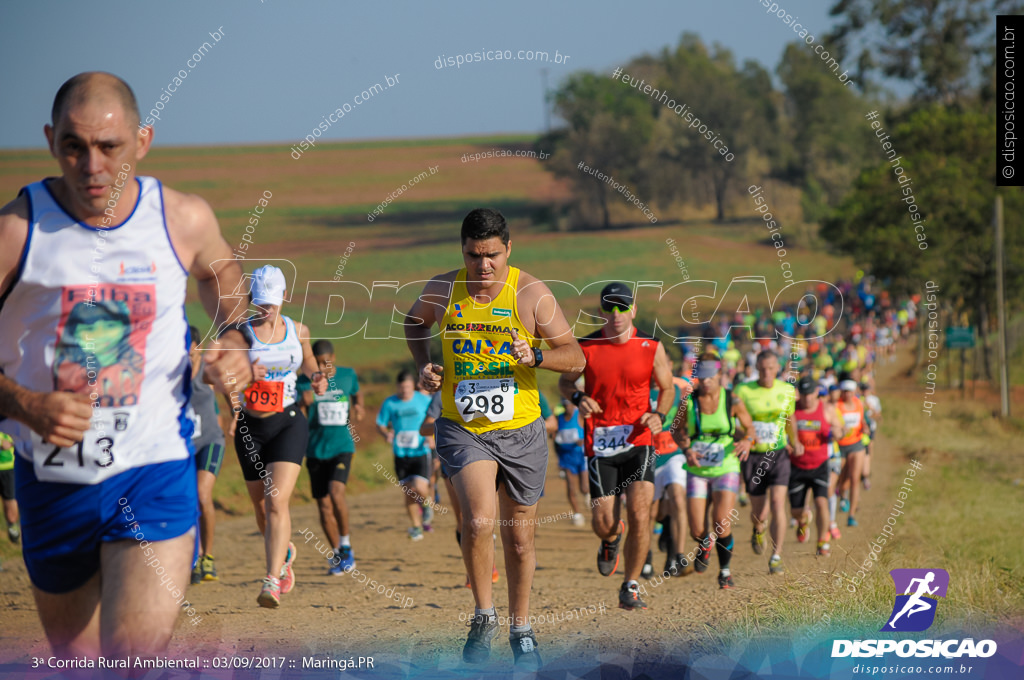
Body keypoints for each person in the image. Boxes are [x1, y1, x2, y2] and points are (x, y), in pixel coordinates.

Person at [0, 72, 252, 660]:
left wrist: (235, 341)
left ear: (142, 140)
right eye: (73, 146)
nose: (91, 165)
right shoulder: (17, 232)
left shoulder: (181, 218)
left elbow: (223, 281)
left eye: (109, 147)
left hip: (153, 469)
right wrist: (23, 404)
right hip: (52, 479)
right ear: (49, 140)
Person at [405, 208, 584, 670]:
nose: (482, 266)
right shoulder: (444, 288)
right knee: (480, 522)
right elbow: (414, 321)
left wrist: (538, 354)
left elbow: (576, 357)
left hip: (522, 429)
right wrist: (423, 363)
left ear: (509, 249)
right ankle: (483, 615)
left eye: (491, 256)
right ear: (461, 249)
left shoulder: (530, 293)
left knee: (520, 540)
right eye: (472, 255)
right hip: (464, 427)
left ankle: (520, 625)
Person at [558, 282, 675, 611]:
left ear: (633, 310)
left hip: (639, 440)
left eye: (623, 307)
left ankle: (631, 585)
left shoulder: (651, 346)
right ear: (600, 312)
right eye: (610, 308)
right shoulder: (585, 347)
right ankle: (611, 539)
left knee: (641, 513)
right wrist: (579, 398)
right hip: (601, 444)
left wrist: (659, 415)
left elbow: (666, 389)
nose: (616, 314)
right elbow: (565, 383)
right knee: (602, 522)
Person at [233, 265, 326, 608]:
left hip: (288, 421)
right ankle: (284, 551)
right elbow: (222, 377)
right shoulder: (239, 335)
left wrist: (317, 378)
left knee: (275, 502)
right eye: (260, 302)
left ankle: (270, 579)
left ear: (285, 297)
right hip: (249, 427)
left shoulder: (298, 330)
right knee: (260, 508)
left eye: (271, 302)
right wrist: (243, 376)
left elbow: (309, 363)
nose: (266, 309)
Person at [675, 354, 753, 589]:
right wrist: (686, 448)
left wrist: (748, 440)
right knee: (697, 529)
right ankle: (705, 543)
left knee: (721, 523)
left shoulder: (732, 399)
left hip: (725, 466)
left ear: (720, 374)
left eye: (710, 377)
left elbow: (749, 427)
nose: (706, 382)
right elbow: (676, 430)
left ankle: (725, 572)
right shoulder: (688, 400)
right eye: (702, 377)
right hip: (697, 468)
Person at [421, 391, 500, 587]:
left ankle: (488, 564)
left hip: (490, 458)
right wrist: (450, 425)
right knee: (465, 520)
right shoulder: (442, 395)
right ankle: (473, 568)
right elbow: (424, 428)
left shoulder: (492, 386)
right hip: (454, 461)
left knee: (486, 519)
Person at [298, 339, 363, 574]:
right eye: (318, 363)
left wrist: (359, 407)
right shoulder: (303, 382)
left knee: (336, 493)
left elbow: (356, 393)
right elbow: (294, 411)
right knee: (323, 505)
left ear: (333, 357)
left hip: (342, 446)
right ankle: (337, 554)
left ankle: (346, 546)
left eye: (327, 362)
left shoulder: (347, 375)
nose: (324, 367)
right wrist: (300, 402)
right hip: (315, 449)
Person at [734, 350, 801, 575]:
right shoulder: (743, 390)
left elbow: (790, 419)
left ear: (777, 368)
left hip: (778, 454)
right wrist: (744, 437)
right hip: (753, 456)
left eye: (771, 368)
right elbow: (735, 421)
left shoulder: (787, 389)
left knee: (778, 504)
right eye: (762, 369)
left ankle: (776, 555)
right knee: (759, 513)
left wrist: (796, 441)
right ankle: (757, 528)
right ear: (757, 368)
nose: (766, 373)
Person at [187, 326, 226, 584]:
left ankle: (207, 557)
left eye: (188, 345)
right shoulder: (171, 373)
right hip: (183, 446)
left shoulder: (207, 370)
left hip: (210, 441)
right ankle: (193, 557)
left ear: (197, 347)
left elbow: (229, 384)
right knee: (186, 502)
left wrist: (236, 417)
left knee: (202, 495)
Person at [376, 370, 435, 540]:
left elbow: (437, 417)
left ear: (413, 386)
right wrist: (385, 433)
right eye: (401, 388)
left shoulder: (423, 400)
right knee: (408, 491)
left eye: (408, 388)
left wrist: (432, 436)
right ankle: (416, 527)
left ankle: (425, 504)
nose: (405, 391)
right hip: (400, 453)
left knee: (419, 486)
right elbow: (380, 423)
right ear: (397, 387)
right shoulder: (390, 403)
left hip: (420, 450)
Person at [791, 376, 842, 557]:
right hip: (796, 465)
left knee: (822, 502)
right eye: (803, 395)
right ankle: (803, 521)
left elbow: (839, 429)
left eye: (810, 394)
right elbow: (784, 433)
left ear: (816, 392)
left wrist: (836, 431)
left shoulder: (826, 409)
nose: (807, 399)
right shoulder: (791, 409)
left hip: (820, 464)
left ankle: (823, 542)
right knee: (796, 511)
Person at [649, 374, 690, 578]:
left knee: (678, 499)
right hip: (650, 458)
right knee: (652, 512)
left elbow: (687, 417)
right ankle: (646, 556)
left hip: (674, 454)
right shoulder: (641, 390)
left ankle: (678, 555)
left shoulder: (676, 391)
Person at [835, 379, 867, 527]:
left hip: (856, 444)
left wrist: (865, 427)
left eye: (850, 391)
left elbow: (862, 420)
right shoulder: (837, 405)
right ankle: (842, 494)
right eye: (845, 391)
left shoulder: (859, 404)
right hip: (840, 446)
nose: (847, 394)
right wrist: (841, 431)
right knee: (841, 478)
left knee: (855, 478)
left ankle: (852, 515)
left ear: (854, 392)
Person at [553, 397, 587, 526]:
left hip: (581, 455)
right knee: (571, 487)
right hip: (566, 457)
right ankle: (577, 513)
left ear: (574, 405)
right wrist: (558, 458)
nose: (567, 407)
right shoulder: (559, 419)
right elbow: (555, 440)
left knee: (584, 487)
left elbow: (590, 429)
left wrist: (583, 441)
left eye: (569, 405)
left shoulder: (580, 416)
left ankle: (587, 495)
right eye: (565, 405)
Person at [0, 433, 19, 545]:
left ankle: (12, 526)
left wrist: (11, 444)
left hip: (8, 468)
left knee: (10, 500)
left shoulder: (10, 420)